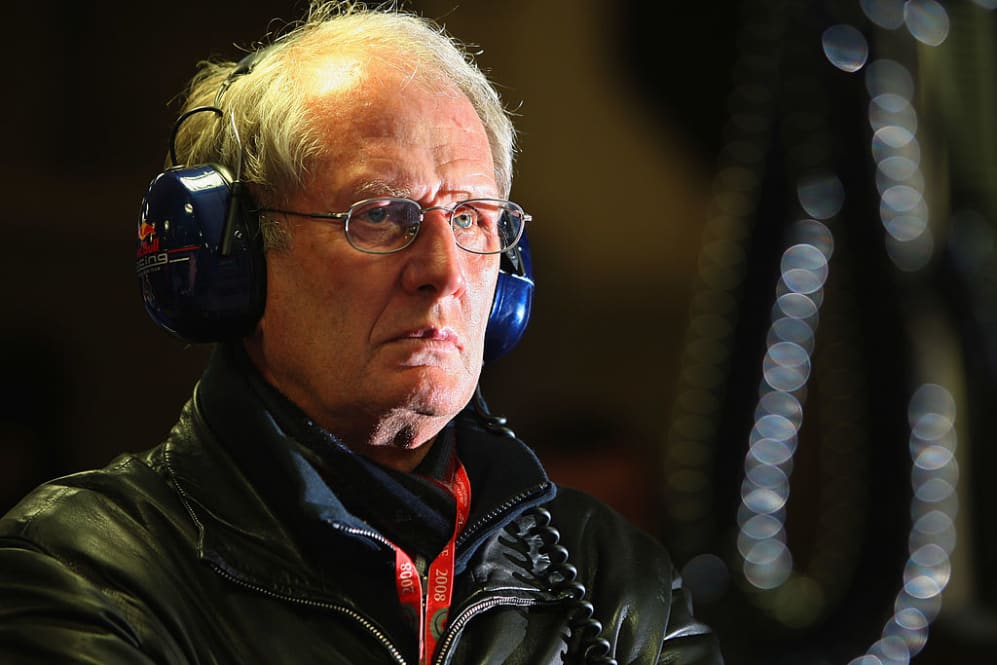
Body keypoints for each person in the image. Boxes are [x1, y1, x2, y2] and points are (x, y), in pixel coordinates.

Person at [0, 2, 723, 663]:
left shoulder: (614, 578)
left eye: (472, 217)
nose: (444, 271)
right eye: (380, 213)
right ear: (233, 261)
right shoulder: (84, 568)